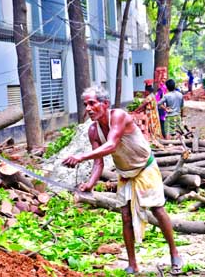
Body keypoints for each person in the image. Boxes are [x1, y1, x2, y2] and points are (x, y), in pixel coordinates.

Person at [62, 86, 182, 274]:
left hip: (145, 168)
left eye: (92, 103)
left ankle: (174, 253)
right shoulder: (93, 131)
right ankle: (132, 264)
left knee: (157, 210)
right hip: (125, 174)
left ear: (105, 104)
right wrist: (90, 184)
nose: (88, 108)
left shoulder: (118, 116)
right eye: (85, 105)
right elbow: (98, 164)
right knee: (125, 217)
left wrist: (80, 157)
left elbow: (111, 145)